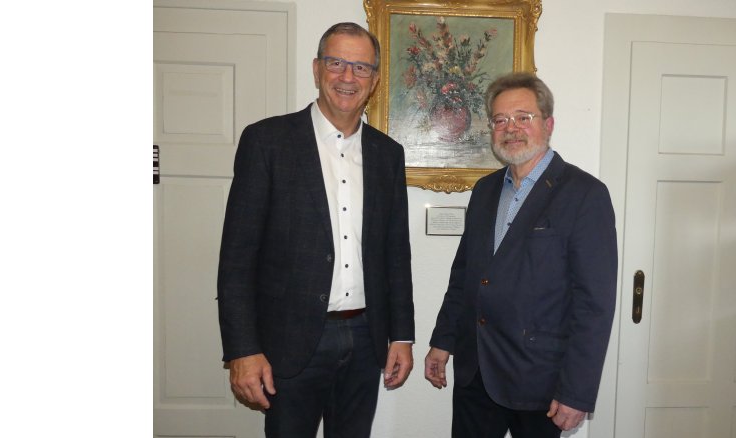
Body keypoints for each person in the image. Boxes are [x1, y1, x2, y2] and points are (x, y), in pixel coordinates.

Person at [217, 22, 414, 438]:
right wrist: (243, 350)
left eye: (361, 68)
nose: (347, 77)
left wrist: (402, 336)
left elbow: (396, 252)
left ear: (375, 80)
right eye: (336, 63)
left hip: (366, 338)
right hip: (288, 340)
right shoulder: (267, 142)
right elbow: (236, 258)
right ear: (316, 68)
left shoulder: (388, 155)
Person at [424, 72, 618, 437]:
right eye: (500, 120)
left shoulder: (585, 195)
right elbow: (464, 276)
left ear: (548, 124)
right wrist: (442, 341)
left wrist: (577, 392)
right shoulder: (484, 191)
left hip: (539, 382)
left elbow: (594, 305)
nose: (510, 128)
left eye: (523, 117)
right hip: (475, 374)